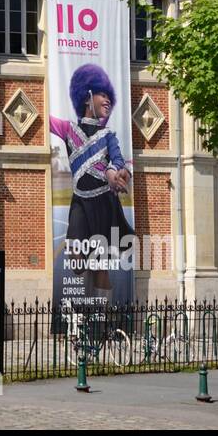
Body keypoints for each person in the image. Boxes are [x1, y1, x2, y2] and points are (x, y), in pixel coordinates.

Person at [49, 63, 134, 301]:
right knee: (76, 261)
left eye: (109, 97)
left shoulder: (108, 136)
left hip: (103, 204)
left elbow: (118, 160)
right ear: (87, 96)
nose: (107, 101)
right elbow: (41, 116)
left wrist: (114, 174)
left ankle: (101, 320)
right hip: (79, 202)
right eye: (103, 95)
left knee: (99, 267)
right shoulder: (68, 129)